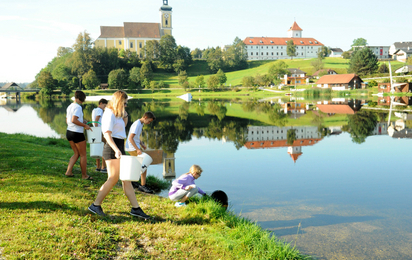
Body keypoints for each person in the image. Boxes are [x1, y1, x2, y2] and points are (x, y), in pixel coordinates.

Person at [88, 90, 151, 219]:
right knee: (113, 178)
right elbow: (107, 134)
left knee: (126, 179)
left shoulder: (117, 114)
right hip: (112, 148)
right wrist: (116, 150)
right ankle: (95, 205)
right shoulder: (109, 113)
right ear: (119, 101)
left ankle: (136, 209)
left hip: (119, 145)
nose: (126, 105)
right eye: (124, 102)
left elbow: (122, 129)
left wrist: (125, 115)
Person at [125, 111, 156, 194]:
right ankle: (142, 185)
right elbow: (131, 138)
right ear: (145, 117)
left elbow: (136, 137)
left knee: (140, 165)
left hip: (135, 146)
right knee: (144, 165)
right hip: (132, 147)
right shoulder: (137, 124)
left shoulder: (140, 123)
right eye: (149, 121)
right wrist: (137, 149)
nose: (149, 123)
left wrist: (142, 144)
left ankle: (132, 181)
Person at [65, 90, 93, 180]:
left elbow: (68, 120)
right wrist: (85, 125)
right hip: (77, 133)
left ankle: (68, 172)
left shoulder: (70, 106)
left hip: (69, 132)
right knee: (83, 155)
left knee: (76, 153)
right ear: (82, 99)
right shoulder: (78, 107)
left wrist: (82, 121)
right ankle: (84, 175)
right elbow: (74, 120)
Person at [92, 98, 108, 173]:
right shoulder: (100, 110)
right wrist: (98, 129)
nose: (105, 107)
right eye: (105, 105)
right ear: (101, 103)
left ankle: (98, 166)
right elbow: (96, 120)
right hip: (100, 131)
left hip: (95, 131)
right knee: (104, 148)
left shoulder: (94, 110)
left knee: (98, 149)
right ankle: (103, 167)